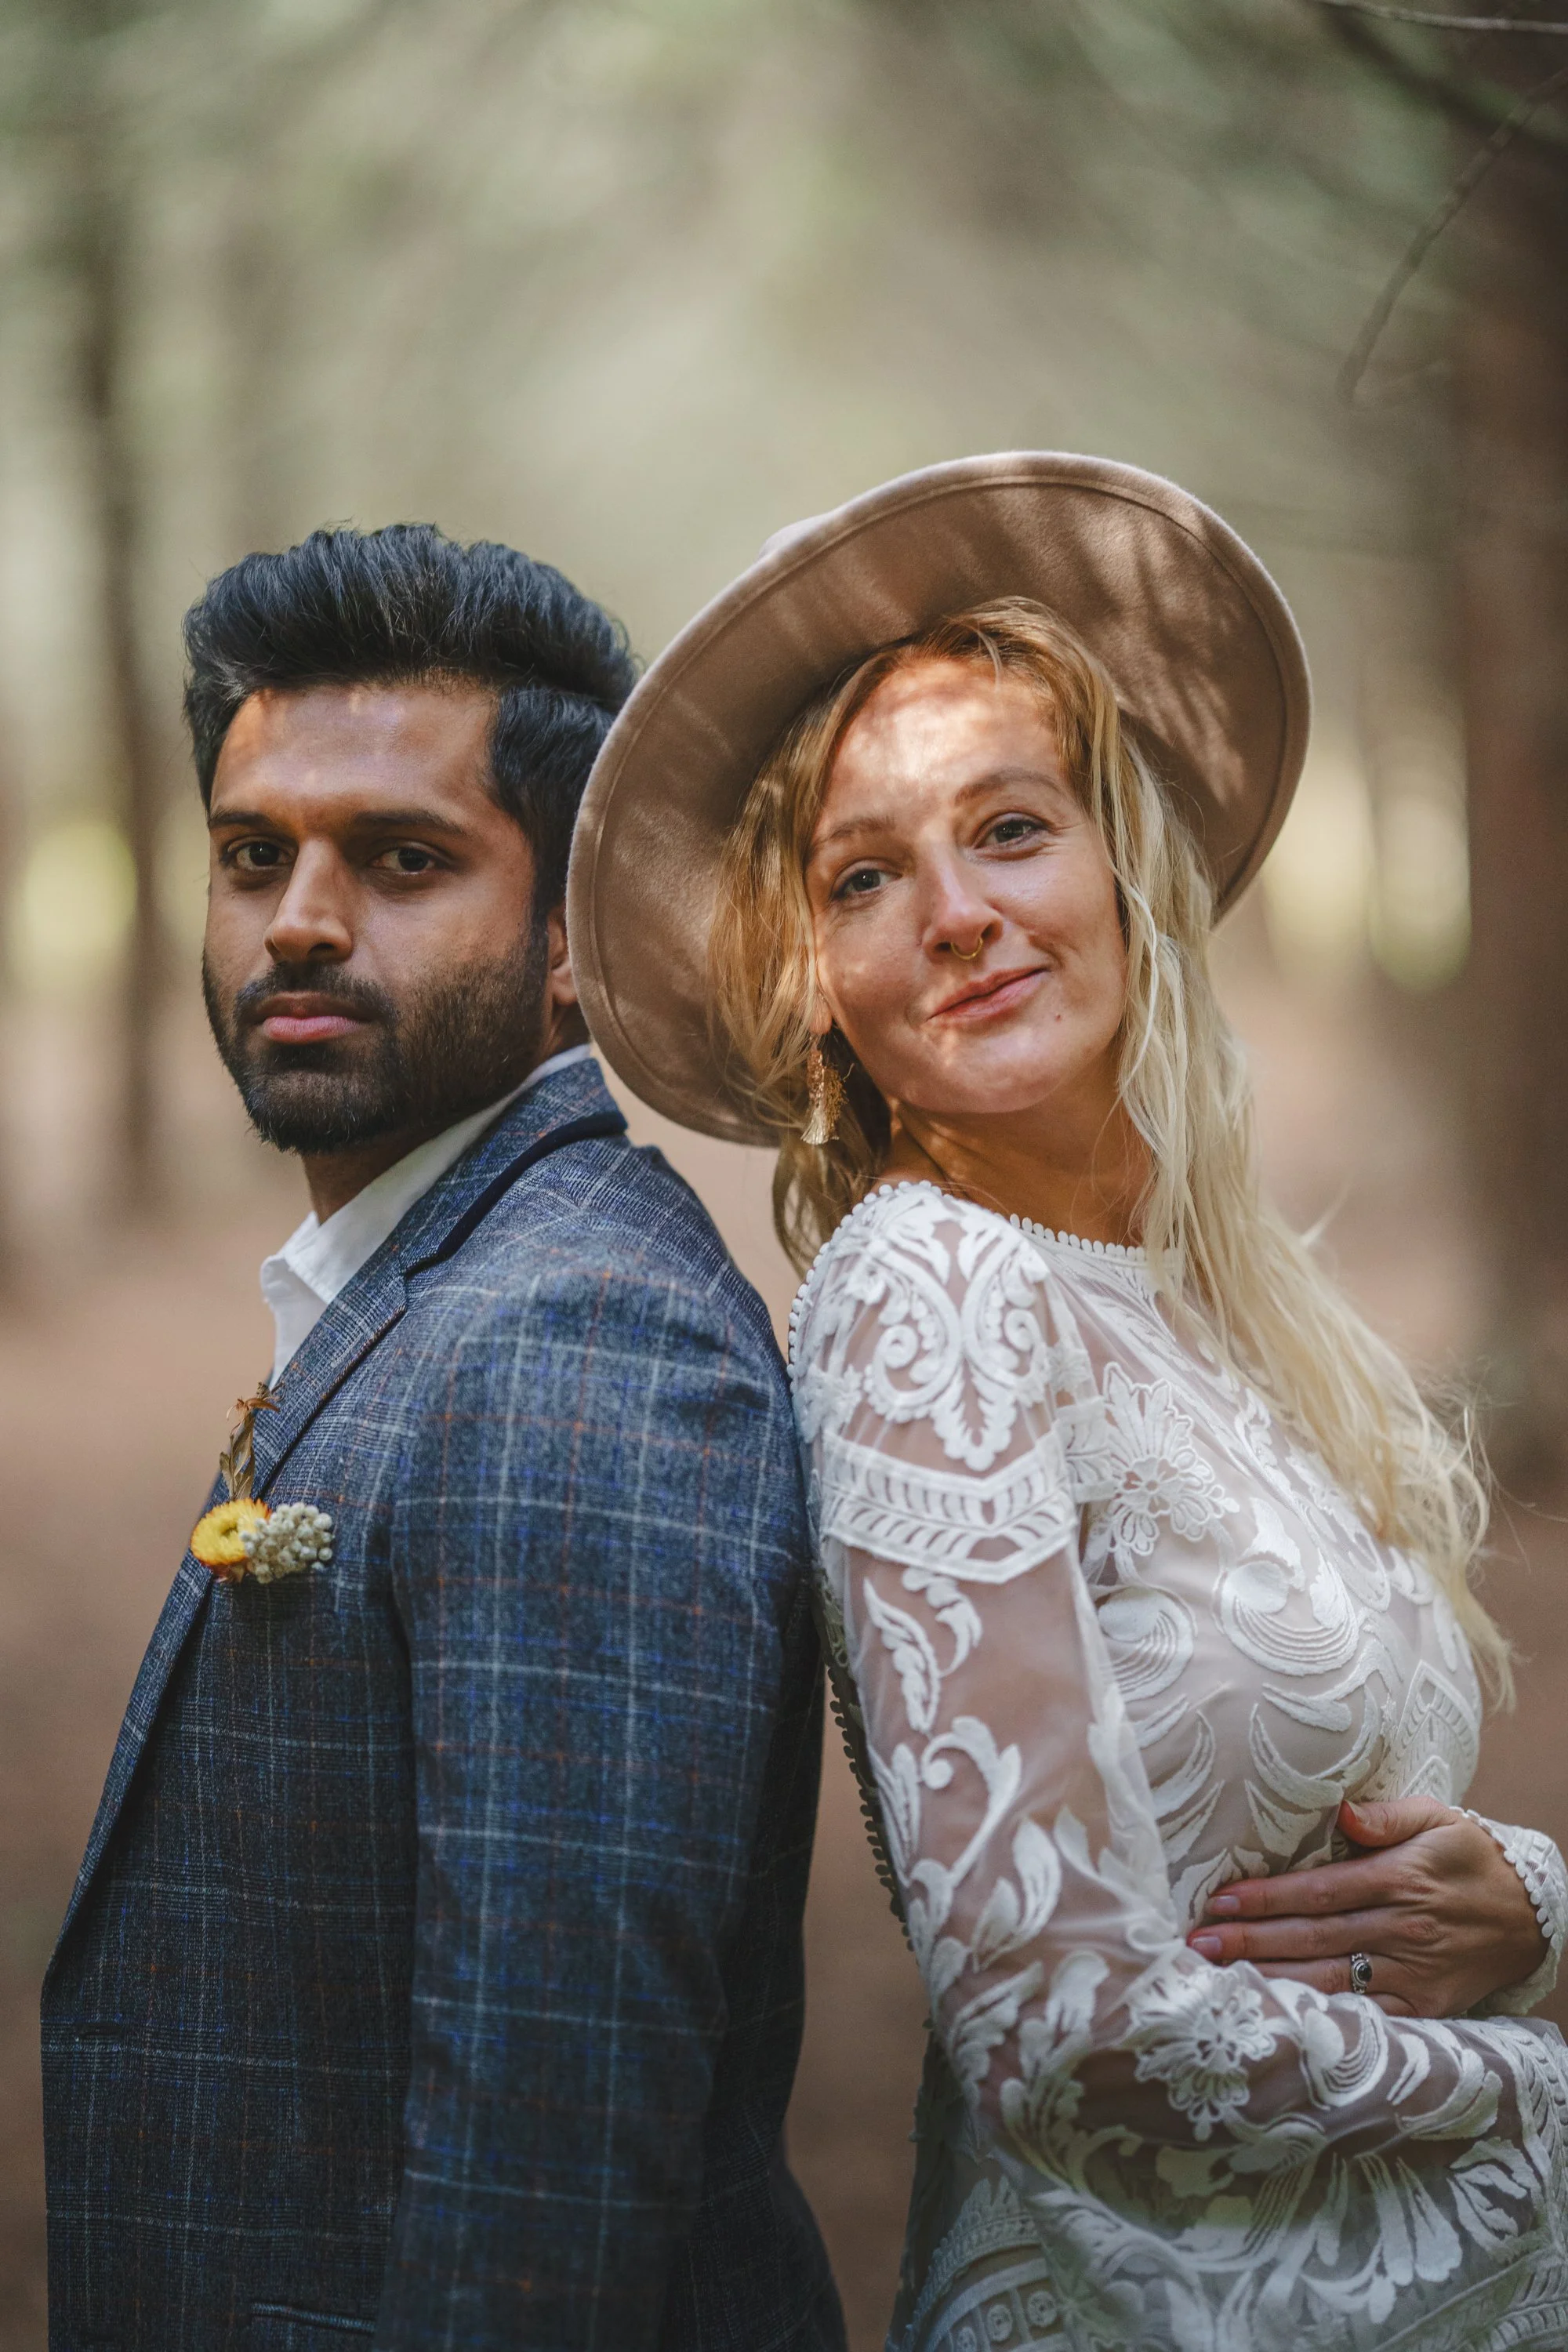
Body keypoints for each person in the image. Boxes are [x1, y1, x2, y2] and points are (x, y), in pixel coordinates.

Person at [567, 456, 1568, 2350]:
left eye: (1008, 830)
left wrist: (1528, 1894)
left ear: (1123, 865)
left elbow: (1342, 1831)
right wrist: (1549, 2096)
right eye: (865, 875)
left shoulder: (1217, 1301)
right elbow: (1061, 2030)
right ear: (817, 990)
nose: (954, 912)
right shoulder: (927, 1290)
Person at [41, 524, 844, 2352]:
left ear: (576, 943)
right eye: (254, 856)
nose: (300, 918)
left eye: (404, 860)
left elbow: (545, 2163)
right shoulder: (443, 1268)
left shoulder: (581, 1346)